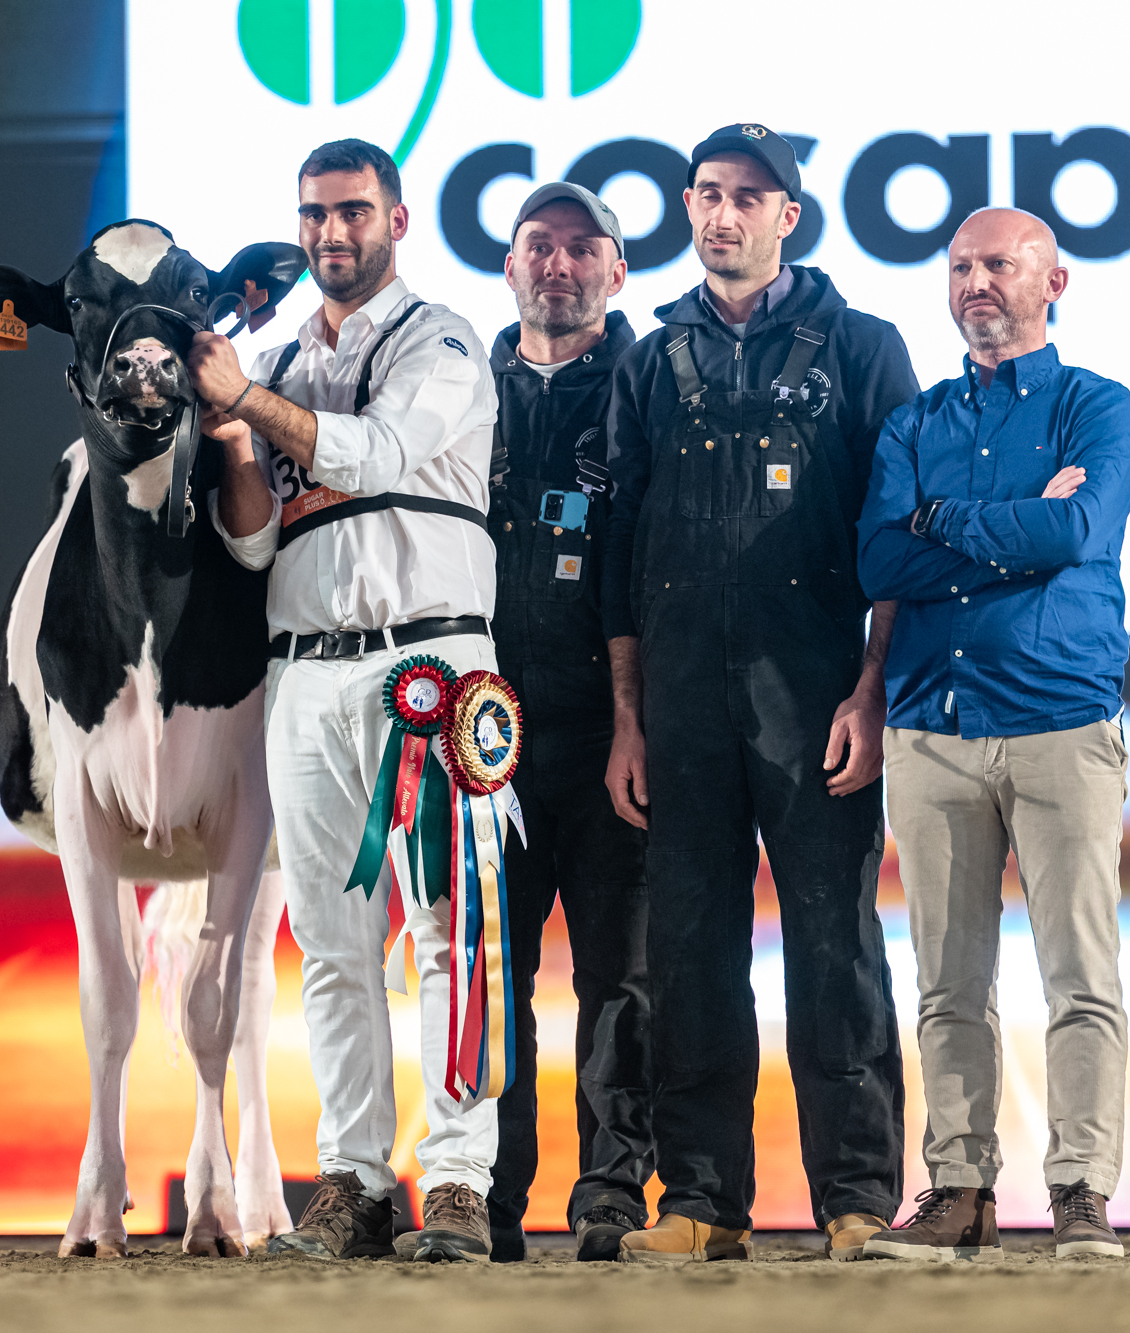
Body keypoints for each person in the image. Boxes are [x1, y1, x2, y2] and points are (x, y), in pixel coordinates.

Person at [600, 123, 920, 1263]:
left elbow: (899, 539)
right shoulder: (649, 360)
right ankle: (700, 1201)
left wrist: (871, 690)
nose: (722, 214)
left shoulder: (865, 348)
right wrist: (627, 717)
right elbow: (619, 552)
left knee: (834, 946)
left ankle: (856, 1201)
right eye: (705, 193)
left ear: (789, 214)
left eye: (747, 196)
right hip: (680, 704)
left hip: (816, 696)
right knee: (688, 950)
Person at [187, 139, 501, 1262]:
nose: (331, 233)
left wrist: (245, 398)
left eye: (353, 211)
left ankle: (457, 1180)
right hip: (304, 670)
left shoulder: (442, 341)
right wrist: (235, 442)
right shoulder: (278, 361)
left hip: (431, 668)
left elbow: (378, 453)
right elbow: (254, 540)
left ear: (397, 220)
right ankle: (356, 1181)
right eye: (315, 214)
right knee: (328, 942)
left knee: (451, 932)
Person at [856, 208, 1130, 1263]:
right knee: (946, 983)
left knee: (1080, 975)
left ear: (1052, 282)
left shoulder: (1096, 407)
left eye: (999, 265)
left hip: (1061, 720)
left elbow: (1077, 528)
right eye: (960, 267)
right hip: (932, 725)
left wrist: (941, 521)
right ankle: (958, 1190)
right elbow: (880, 562)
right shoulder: (913, 424)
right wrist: (1012, 526)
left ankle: (1080, 1193)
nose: (975, 282)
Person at [482, 182, 653, 1263]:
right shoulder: (458, 384)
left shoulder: (654, 384)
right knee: (489, 977)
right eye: (538, 246)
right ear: (508, 266)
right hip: (479, 736)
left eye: (582, 248)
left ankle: (610, 1191)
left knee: (620, 978)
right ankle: (487, 1193)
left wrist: (642, 717)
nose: (558, 264)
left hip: (610, 733)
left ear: (615, 272)